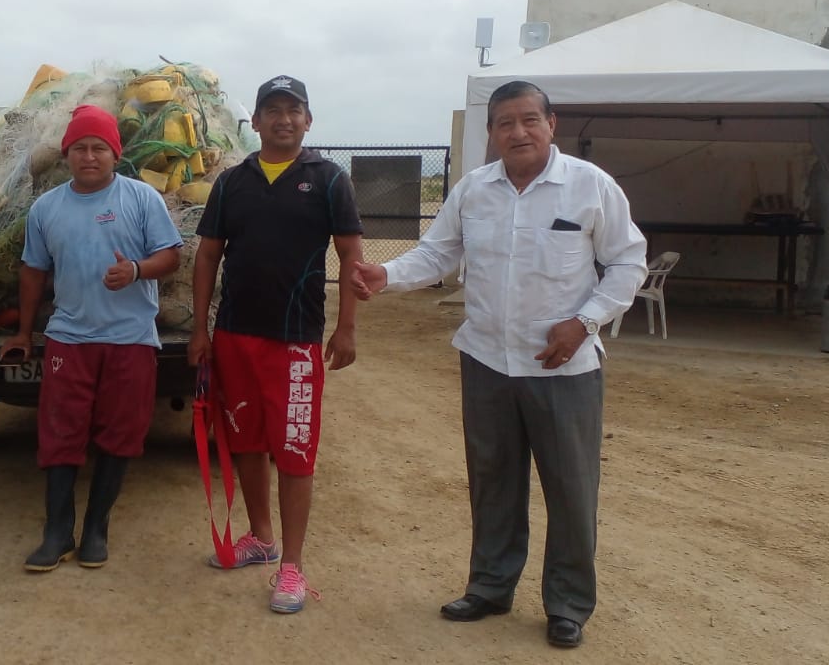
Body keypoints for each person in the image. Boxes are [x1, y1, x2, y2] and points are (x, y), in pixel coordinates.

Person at [350, 80, 647, 648]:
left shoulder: (589, 186)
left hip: (563, 367)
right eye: (505, 123)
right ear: (491, 133)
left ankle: (567, 604)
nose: (518, 132)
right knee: (493, 483)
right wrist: (386, 275)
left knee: (571, 490)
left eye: (530, 119)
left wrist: (584, 322)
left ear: (551, 124)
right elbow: (439, 253)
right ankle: (489, 586)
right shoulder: (474, 190)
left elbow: (628, 263)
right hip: (487, 360)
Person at [189, 75, 363, 614]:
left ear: (308, 120)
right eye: (273, 109)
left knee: (293, 450)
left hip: (296, 342)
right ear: (257, 121)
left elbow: (351, 256)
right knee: (244, 441)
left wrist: (347, 326)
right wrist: (200, 330)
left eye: (293, 109)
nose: (283, 119)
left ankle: (291, 565)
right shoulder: (231, 182)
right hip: (235, 336)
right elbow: (207, 256)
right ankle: (260, 538)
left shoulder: (329, 179)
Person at [1, 105, 183, 573]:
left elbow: (171, 256)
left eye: (98, 148)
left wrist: (136, 270)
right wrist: (23, 332)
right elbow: (33, 270)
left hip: (131, 338)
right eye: (79, 148)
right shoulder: (47, 208)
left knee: (121, 433)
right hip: (70, 337)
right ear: (66, 155)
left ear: (115, 154)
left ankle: (97, 528)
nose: (88, 156)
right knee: (60, 434)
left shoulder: (141, 198)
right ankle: (57, 532)